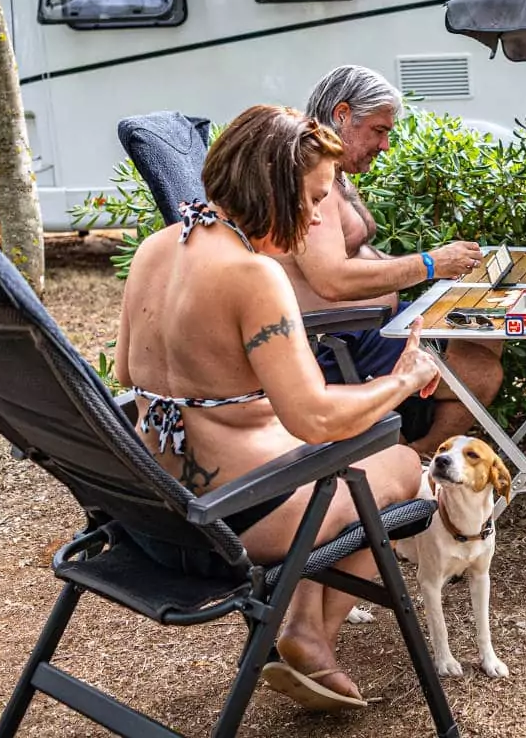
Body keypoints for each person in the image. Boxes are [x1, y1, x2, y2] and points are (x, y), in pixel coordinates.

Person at [116, 104, 436, 710]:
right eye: (313, 199)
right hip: (230, 520)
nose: (318, 216)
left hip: (151, 508)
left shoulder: (155, 250)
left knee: (330, 461)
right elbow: (313, 418)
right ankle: (309, 632)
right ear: (273, 185)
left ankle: (303, 628)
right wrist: (404, 380)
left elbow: (130, 377)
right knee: (398, 467)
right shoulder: (254, 275)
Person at [287, 64, 504, 455]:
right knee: (482, 373)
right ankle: (420, 458)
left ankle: (413, 446)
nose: (385, 145)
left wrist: (441, 276)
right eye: (379, 130)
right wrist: (430, 264)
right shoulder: (308, 174)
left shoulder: (332, 170)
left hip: (374, 325)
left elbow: (359, 254)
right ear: (342, 115)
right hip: (339, 340)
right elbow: (331, 279)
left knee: (482, 331)